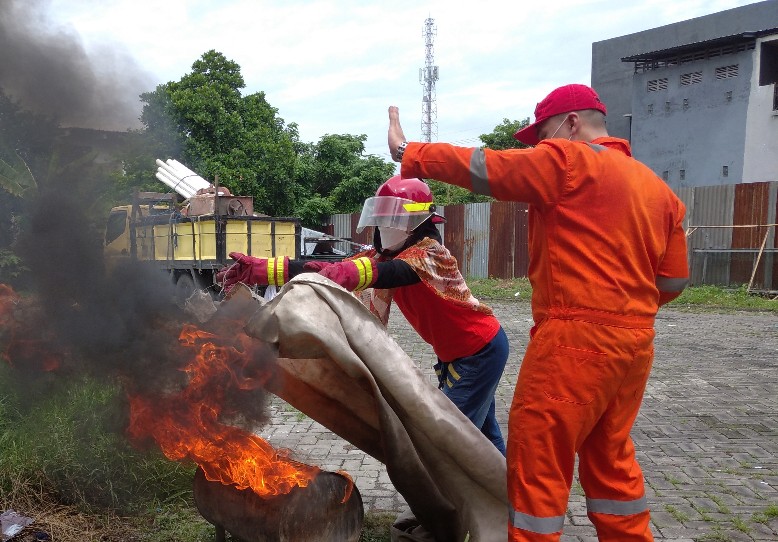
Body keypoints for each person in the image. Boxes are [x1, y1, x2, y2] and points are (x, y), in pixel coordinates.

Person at [387, 84, 689, 541]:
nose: (541, 147)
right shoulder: (661, 192)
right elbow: (673, 282)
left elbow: (485, 167)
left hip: (574, 342)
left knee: (539, 461)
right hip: (635, 343)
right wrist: (624, 308)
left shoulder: (568, 162)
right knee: (611, 458)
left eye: (543, 135)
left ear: (572, 123)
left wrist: (408, 151)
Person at [217, 175, 510, 455]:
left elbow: (387, 274)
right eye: (381, 219)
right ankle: (507, 486)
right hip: (460, 354)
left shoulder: (432, 255)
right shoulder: (386, 255)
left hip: (479, 351)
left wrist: (345, 274)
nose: (385, 227)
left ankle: (461, 492)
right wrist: (259, 269)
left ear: (418, 222)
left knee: (447, 442)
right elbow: (322, 267)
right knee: (485, 436)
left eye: (393, 219)